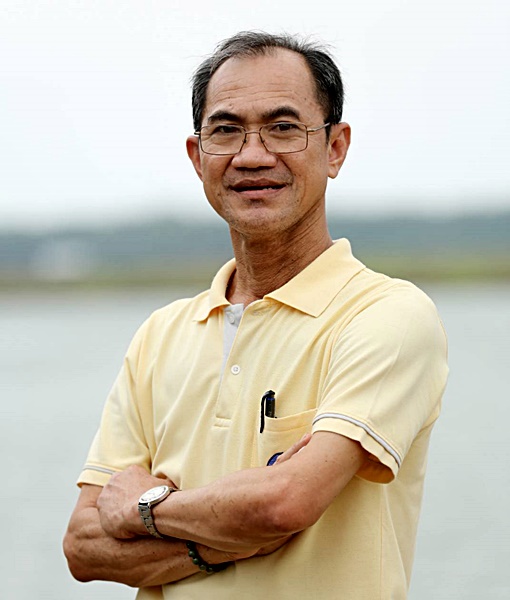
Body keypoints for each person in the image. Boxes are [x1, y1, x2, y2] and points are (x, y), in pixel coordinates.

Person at [63, 31, 448, 599]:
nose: (252, 155)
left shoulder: (385, 315)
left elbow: (285, 503)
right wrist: (222, 540)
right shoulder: (161, 335)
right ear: (197, 157)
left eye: (283, 127)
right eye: (225, 130)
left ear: (335, 147)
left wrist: (145, 507)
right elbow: (83, 545)